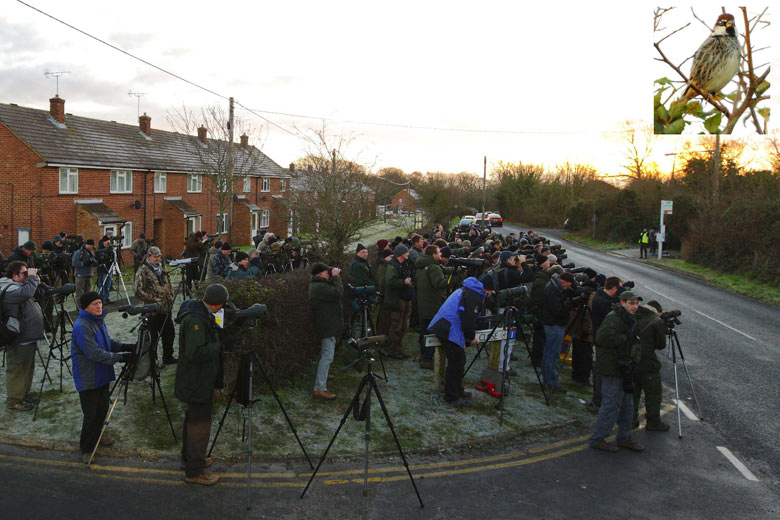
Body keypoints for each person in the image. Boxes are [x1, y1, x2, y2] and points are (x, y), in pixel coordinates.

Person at [71, 292, 136, 463]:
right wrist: (121, 358)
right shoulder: (82, 326)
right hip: (89, 376)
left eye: (100, 302)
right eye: (94, 304)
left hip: (102, 374)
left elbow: (107, 343)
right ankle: (87, 448)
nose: (99, 306)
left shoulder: (97, 321)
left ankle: (98, 435)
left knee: (101, 409)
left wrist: (124, 347)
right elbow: (94, 354)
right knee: (91, 413)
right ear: (85, 307)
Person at [175, 283, 229, 486]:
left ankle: (190, 459)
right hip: (197, 381)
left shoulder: (199, 313)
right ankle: (194, 472)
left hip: (195, 379)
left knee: (192, 419)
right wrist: (220, 345)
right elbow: (195, 353)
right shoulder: (196, 320)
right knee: (199, 424)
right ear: (218, 303)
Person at [589, 291, 645, 453]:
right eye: (631, 303)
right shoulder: (614, 318)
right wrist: (624, 337)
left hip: (625, 367)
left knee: (628, 405)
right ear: (622, 303)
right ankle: (598, 438)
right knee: (611, 404)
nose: (635, 307)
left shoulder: (630, 318)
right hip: (612, 367)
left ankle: (624, 437)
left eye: (636, 303)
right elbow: (601, 338)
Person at [428, 276, 492, 407]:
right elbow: (468, 322)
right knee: (456, 362)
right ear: (487, 289)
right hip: (448, 328)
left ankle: (458, 390)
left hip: (445, 325)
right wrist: (471, 337)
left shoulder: (467, 289)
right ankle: (452, 396)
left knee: (459, 361)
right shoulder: (474, 295)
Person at [1, 262, 45, 411]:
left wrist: (35, 280)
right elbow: (26, 294)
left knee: (28, 368)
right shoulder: (9, 289)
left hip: (28, 337)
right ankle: (14, 400)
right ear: (14, 276)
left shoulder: (20, 287)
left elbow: (33, 293)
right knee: (17, 369)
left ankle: (23, 395)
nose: (28, 276)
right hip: (18, 338)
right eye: (24, 273)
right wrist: (32, 279)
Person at [134, 246, 177, 365]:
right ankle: (152, 362)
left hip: (165, 309)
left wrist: (171, 294)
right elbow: (138, 291)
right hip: (152, 311)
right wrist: (154, 300)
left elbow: (168, 282)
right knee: (152, 338)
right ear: (149, 257)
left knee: (169, 334)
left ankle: (168, 357)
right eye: (155, 257)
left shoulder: (162, 268)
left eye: (159, 256)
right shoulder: (143, 270)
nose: (158, 259)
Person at [632, 300, 670, 431]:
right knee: (653, 393)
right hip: (648, 362)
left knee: (633, 392)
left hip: (631, 359)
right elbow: (661, 345)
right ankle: (653, 422)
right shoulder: (656, 321)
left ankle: (631, 419)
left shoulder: (633, 315)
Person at [308, 263, 344, 400]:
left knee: (326, 353)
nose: (329, 274)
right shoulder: (318, 287)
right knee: (328, 355)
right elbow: (338, 293)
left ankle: (322, 374)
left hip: (327, 323)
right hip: (326, 325)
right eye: (327, 272)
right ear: (320, 273)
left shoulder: (320, 284)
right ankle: (319, 388)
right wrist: (336, 277)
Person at [540, 271, 577, 394]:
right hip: (554, 324)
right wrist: (571, 304)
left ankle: (549, 380)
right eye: (568, 285)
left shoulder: (555, 286)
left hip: (553, 323)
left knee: (550, 353)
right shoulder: (553, 290)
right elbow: (558, 310)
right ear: (564, 282)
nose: (568, 288)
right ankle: (550, 381)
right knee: (552, 354)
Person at [589, 276, 622, 408]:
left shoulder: (600, 295)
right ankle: (599, 398)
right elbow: (617, 313)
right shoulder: (603, 302)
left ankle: (599, 397)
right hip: (603, 340)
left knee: (600, 368)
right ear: (614, 288)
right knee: (602, 370)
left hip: (600, 337)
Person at [415, 245, 447, 369]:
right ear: (434, 255)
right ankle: (427, 359)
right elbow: (439, 284)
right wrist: (452, 279)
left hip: (423, 304)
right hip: (433, 305)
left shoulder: (422, 266)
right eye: (439, 252)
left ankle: (424, 356)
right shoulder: (434, 267)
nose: (440, 254)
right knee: (431, 334)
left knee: (424, 332)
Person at [384, 244, 413, 359]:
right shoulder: (392, 266)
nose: (408, 254)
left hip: (405, 298)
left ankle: (398, 348)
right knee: (396, 326)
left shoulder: (404, 264)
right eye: (406, 252)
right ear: (401, 254)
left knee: (403, 326)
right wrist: (404, 282)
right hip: (397, 299)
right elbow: (390, 282)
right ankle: (392, 349)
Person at [528, 254, 552, 367]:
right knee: (539, 337)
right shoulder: (541, 281)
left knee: (540, 337)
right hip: (540, 313)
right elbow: (537, 299)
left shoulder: (541, 278)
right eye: (548, 261)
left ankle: (537, 357)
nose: (549, 263)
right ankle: (537, 358)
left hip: (540, 312)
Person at [95, 235, 114, 303]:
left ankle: (106, 297)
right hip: (102, 269)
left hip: (109, 268)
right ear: (103, 242)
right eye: (106, 242)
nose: (107, 244)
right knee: (102, 284)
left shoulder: (110, 249)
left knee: (107, 285)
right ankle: (101, 298)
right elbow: (98, 259)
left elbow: (112, 258)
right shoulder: (99, 249)